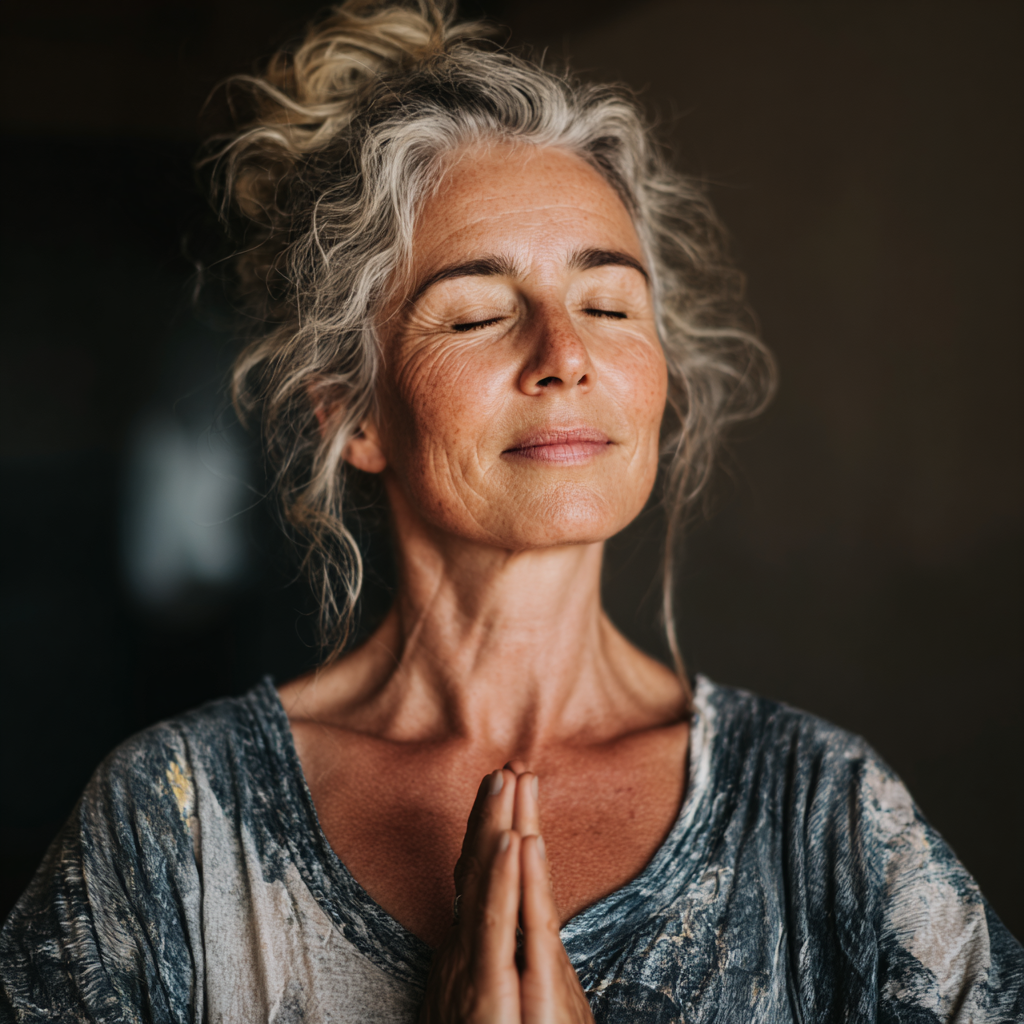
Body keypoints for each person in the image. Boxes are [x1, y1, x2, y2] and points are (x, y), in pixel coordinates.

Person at [1, 2, 1020, 1021]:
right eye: (480, 313)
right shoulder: (167, 824)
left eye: (610, 305)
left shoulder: (826, 813)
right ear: (354, 414)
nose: (566, 353)